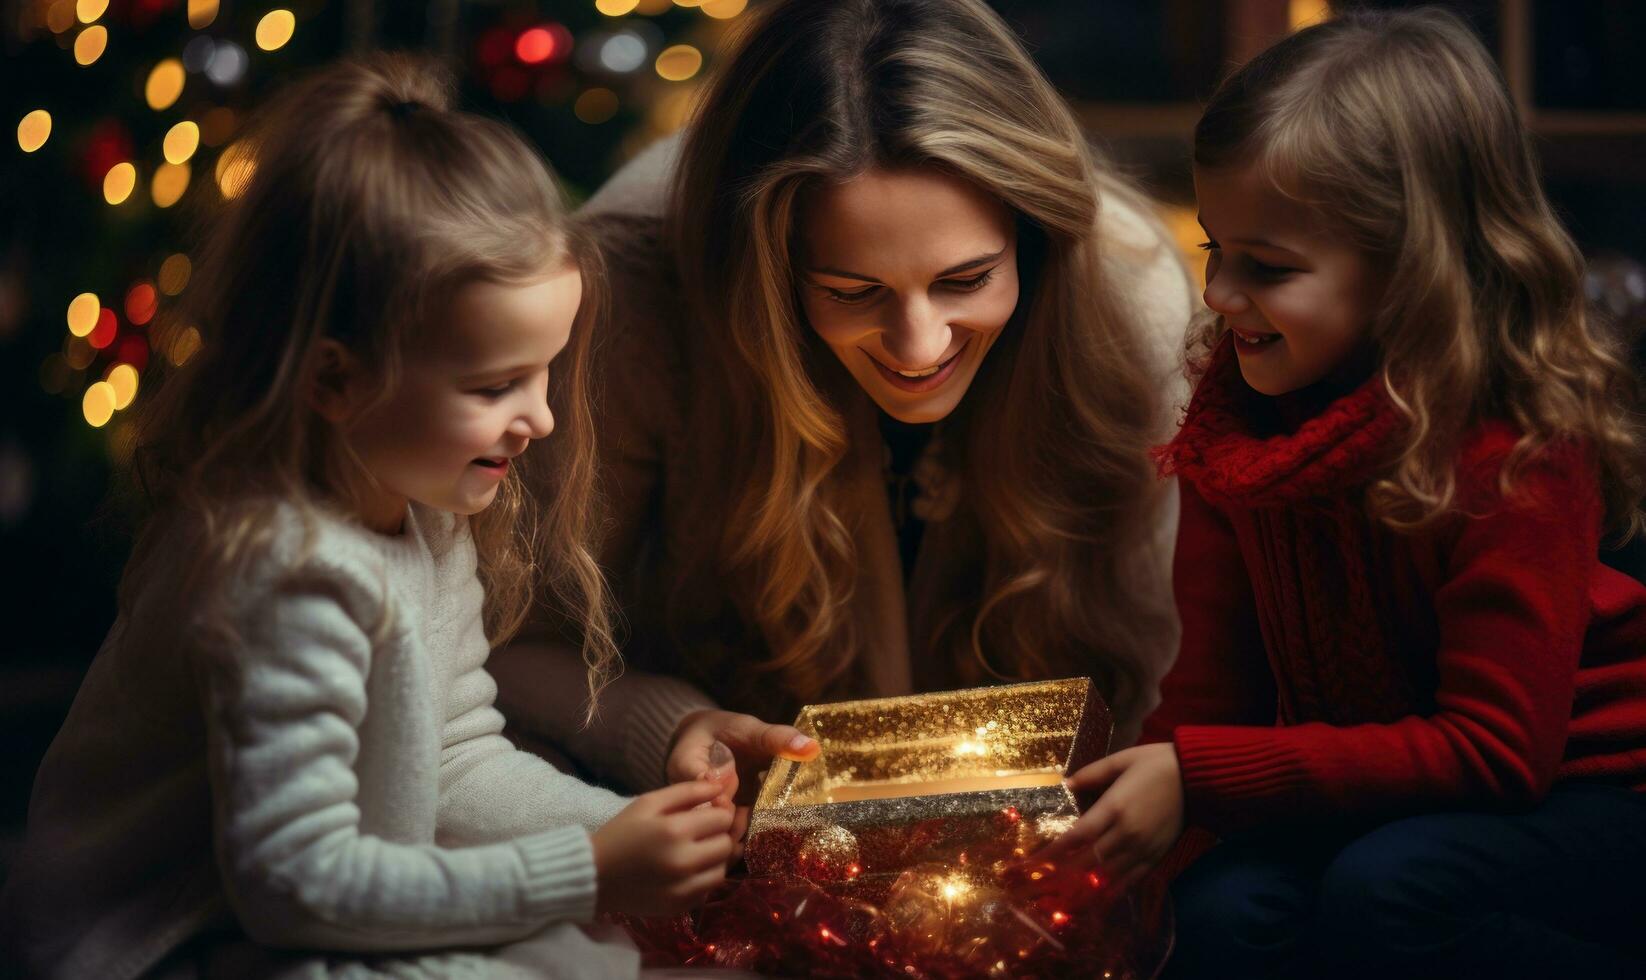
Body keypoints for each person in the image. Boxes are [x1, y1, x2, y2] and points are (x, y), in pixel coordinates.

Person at [0, 55, 736, 980]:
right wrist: (586, 869)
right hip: (167, 943)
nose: (541, 419)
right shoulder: (283, 576)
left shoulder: (423, 515)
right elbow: (295, 884)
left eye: (544, 370)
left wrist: (637, 837)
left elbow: (459, 760)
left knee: (591, 953)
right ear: (335, 379)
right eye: (495, 385)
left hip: (299, 914)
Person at [1048, 10, 1646, 978]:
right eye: (1214, 250)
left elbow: (1496, 751)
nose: (1218, 296)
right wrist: (1137, 838)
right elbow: (1214, 693)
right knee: (1217, 909)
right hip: (1386, 795)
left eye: (1267, 268)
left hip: (1585, 791)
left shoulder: (1510, 444)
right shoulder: (1237, 427)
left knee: (1384, 893)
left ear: (1407, 269)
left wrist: (1196, 777)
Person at [491, 0, 1197, 820]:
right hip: (737, 832)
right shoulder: (635, 299)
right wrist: (666, 724)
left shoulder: (1124, 289)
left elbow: (1161, 661)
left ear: (1032, 240)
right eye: (852, 292)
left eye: (966, 281)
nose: (918, 345)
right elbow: (508, 643)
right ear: (768, 275)